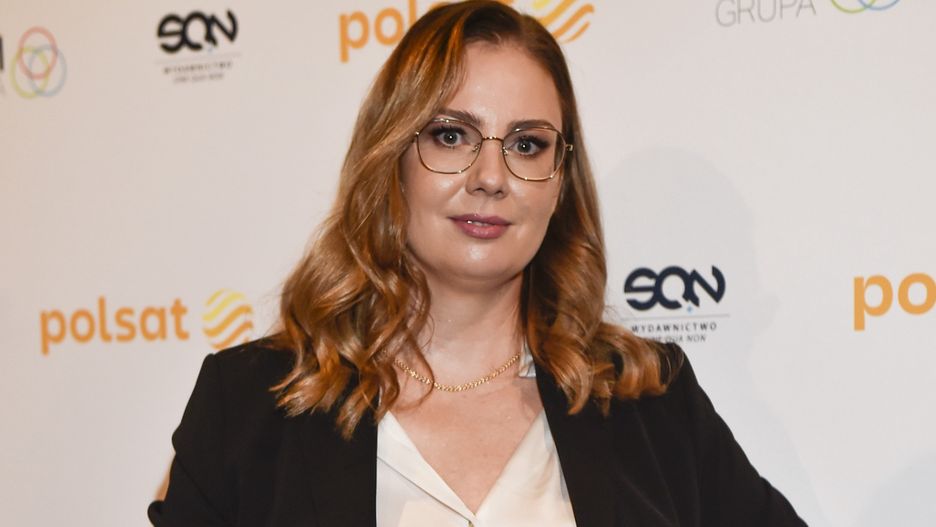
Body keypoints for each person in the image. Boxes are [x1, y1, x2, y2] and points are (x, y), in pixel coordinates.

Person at [148, 2, 806, 526]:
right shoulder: (249, 406)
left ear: (560, 182)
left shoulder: (649, 397)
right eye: (451, 135)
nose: (491, 176)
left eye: (527, 144)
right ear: (390, 160)